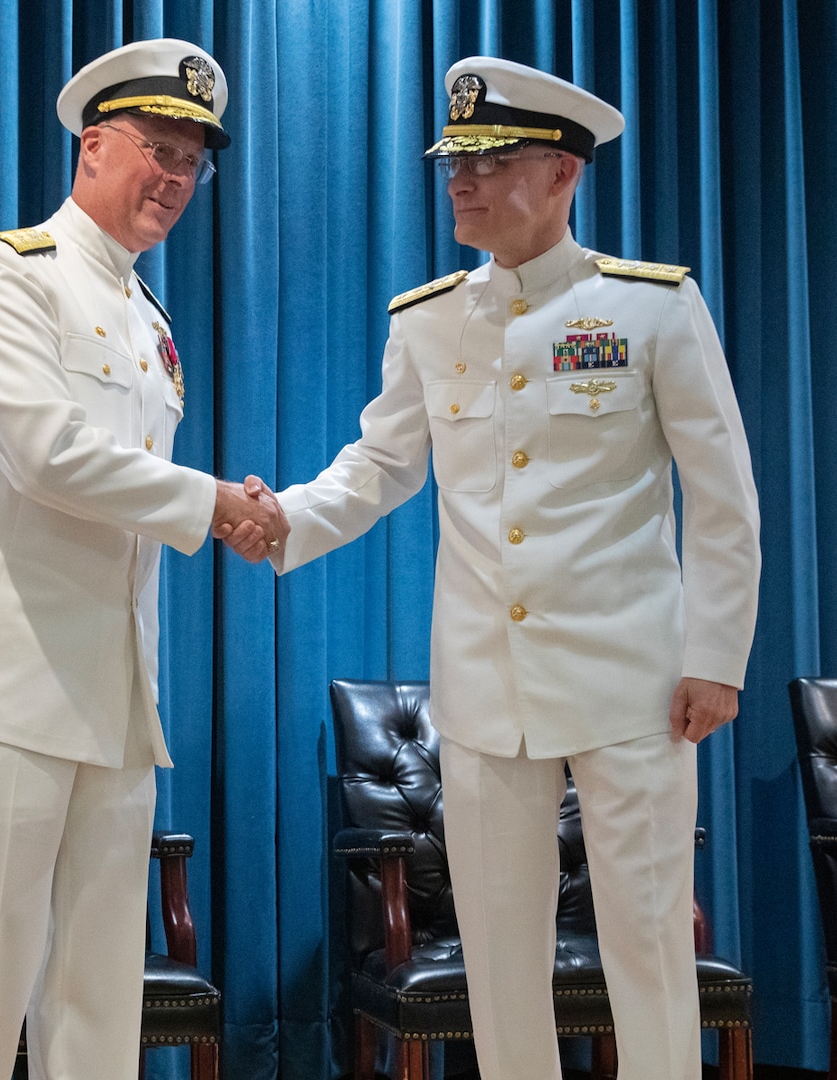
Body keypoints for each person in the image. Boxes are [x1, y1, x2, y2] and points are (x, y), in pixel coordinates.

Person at [232, 56, 761, 1079]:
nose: (459, 181)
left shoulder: (653, 308)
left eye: (489, 159)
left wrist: (717, 657)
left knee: (648, 941)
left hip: (636, 681)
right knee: (498, 957)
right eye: (453, 160)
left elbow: (725, 498)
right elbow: (381, 465)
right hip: (483, 686)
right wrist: (281, 520)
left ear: (564, 173)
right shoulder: (429, 319)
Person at [0, 38, 285, 1079]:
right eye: (157, 149)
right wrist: (215, 504)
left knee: (99, 1007)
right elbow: (46, 455)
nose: (175, 179)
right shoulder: (2, 273)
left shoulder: (149, 320)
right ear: (93, 145)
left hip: (111, 704)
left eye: (192, 163)